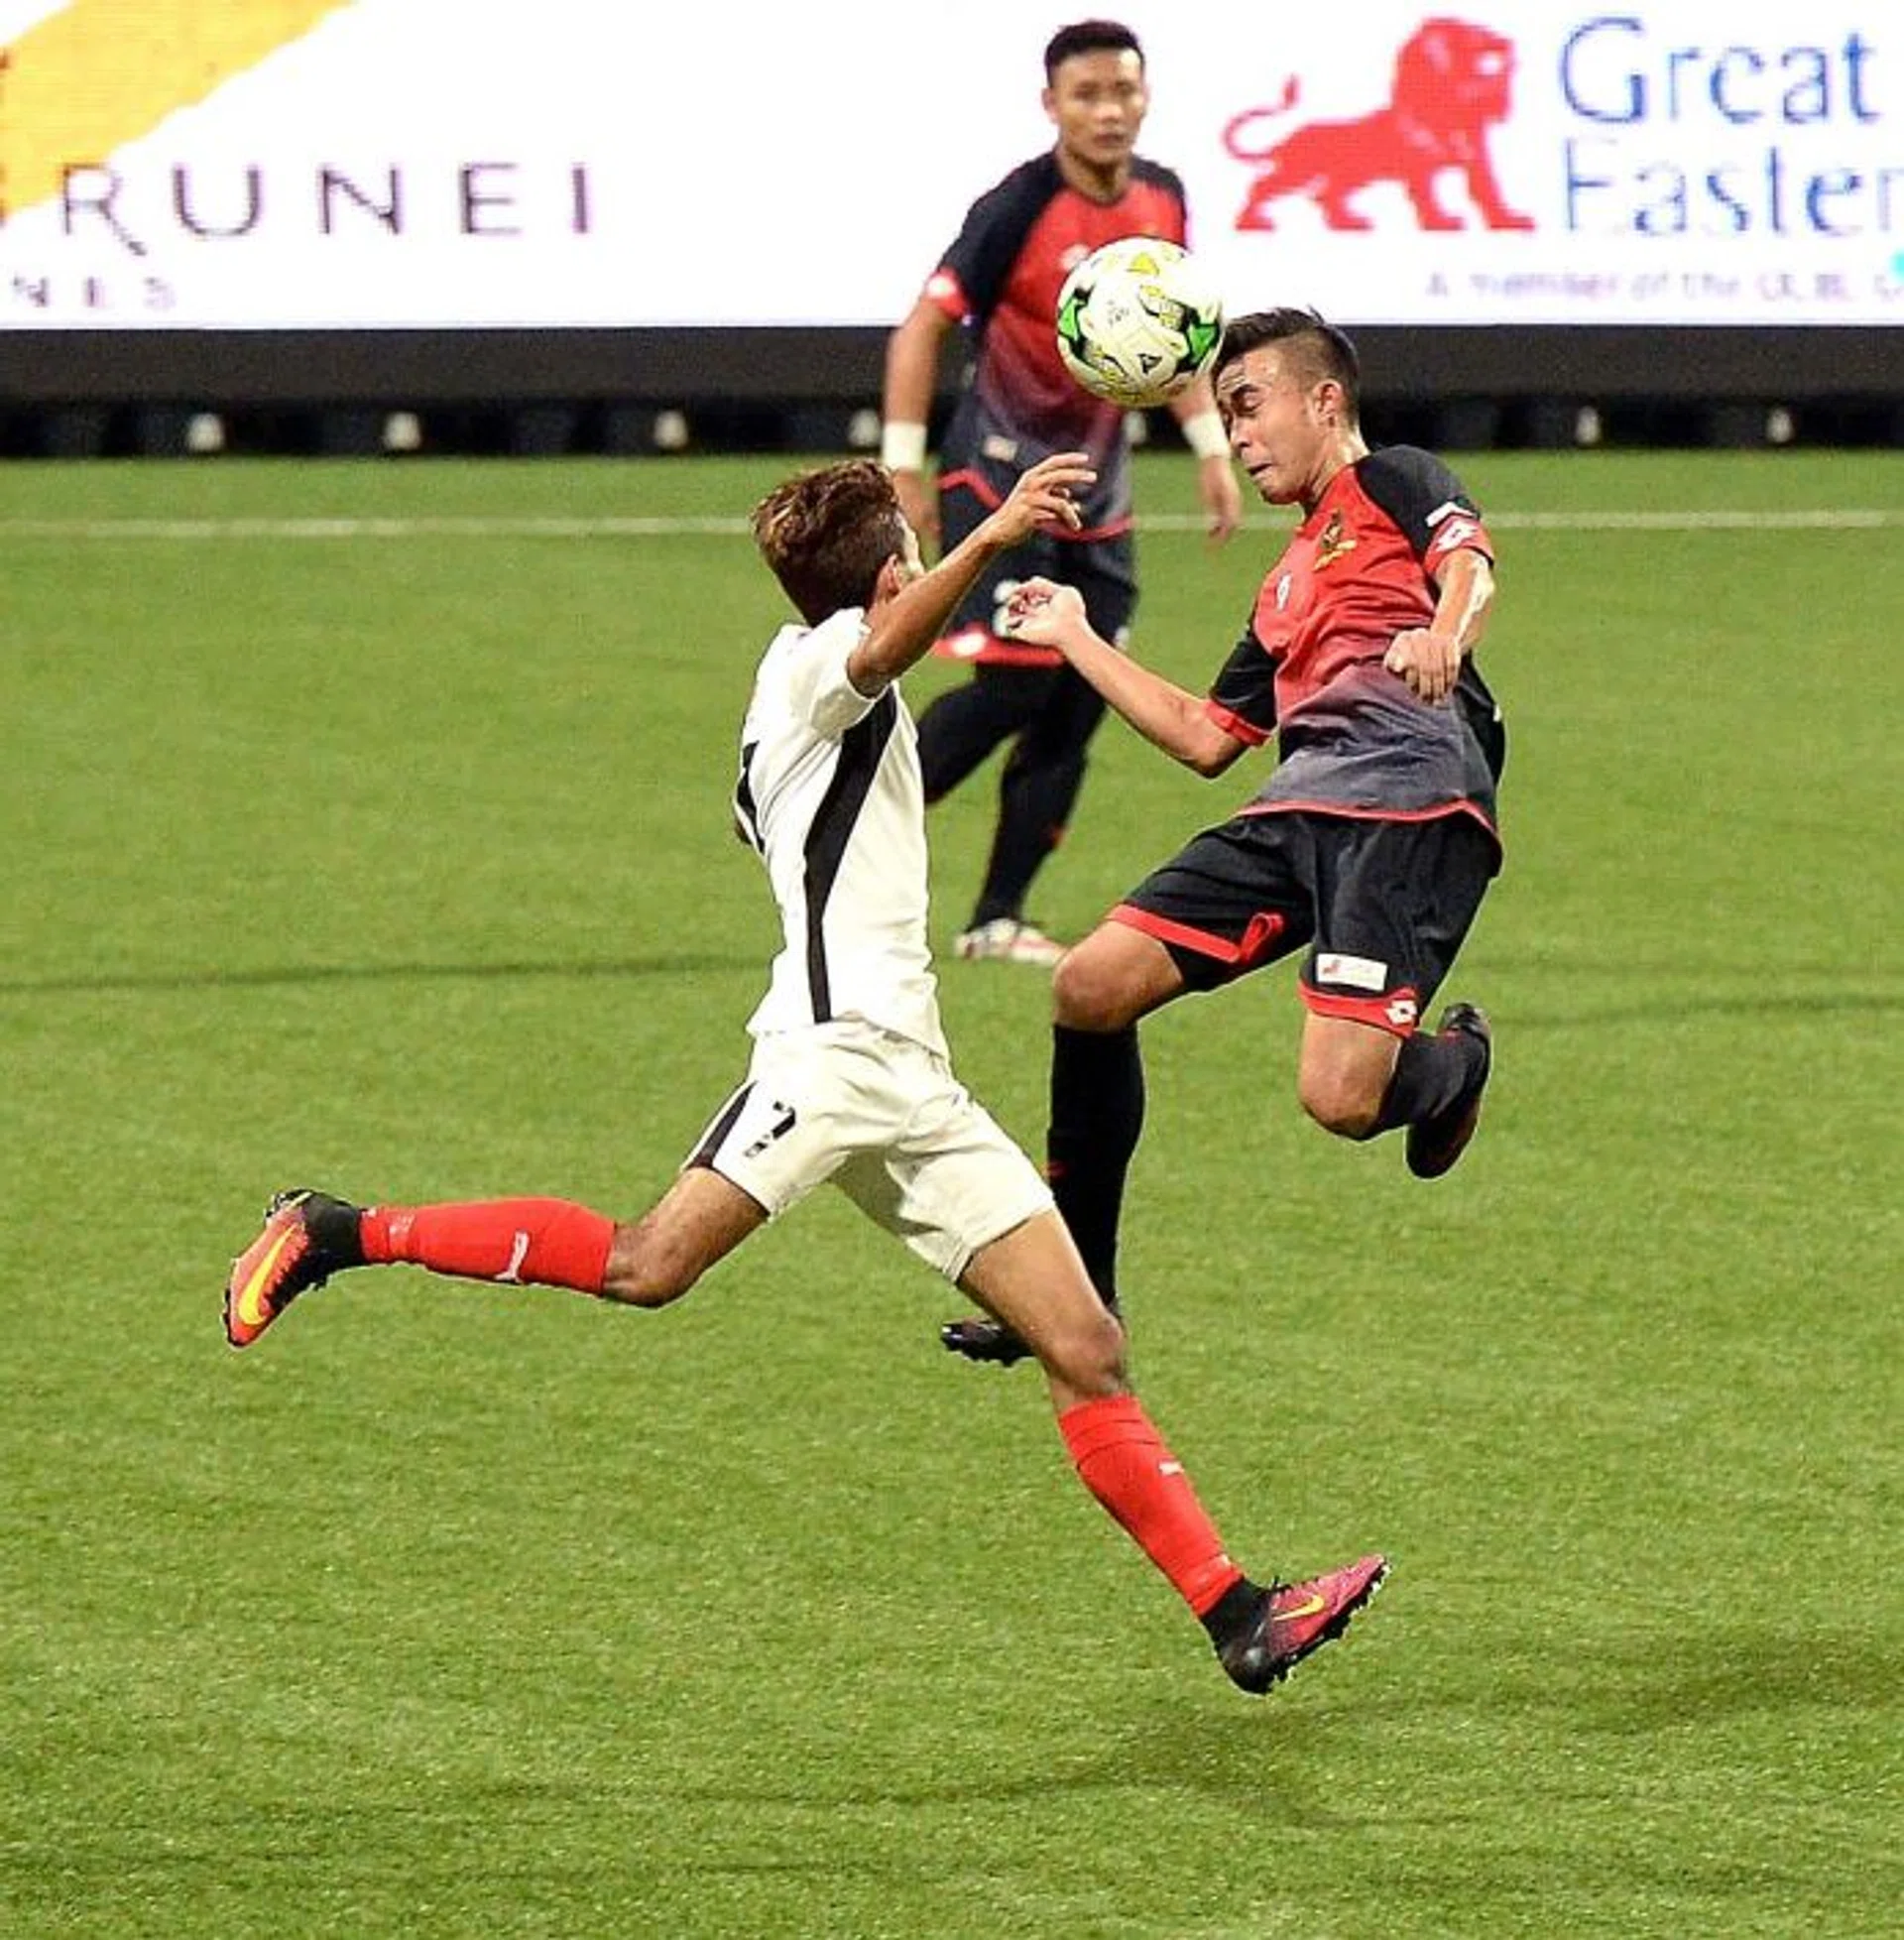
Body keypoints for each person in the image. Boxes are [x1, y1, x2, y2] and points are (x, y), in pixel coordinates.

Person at [222, 449, 1386, 1695]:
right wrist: (992, 538)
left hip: (914, 1082)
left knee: (1084, 1340)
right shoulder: (814, 665)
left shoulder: (806, 688)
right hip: (830, 1060)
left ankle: (1238, 1616)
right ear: (887, 575)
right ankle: (339, 1230)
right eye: (912, 548)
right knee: (648, 1264)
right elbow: (876, 653)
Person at [941, 308, 1505, 1367]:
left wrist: (1443, 633)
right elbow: (1207, 737)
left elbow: (1470, 561)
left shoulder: (1395, 480)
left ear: (1324, 401)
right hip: (1295, 811)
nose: (1237, 437)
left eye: (1249, 407)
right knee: (1089, 986)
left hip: (1407, 805)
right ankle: (1078, 1297)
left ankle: (1454, 1066)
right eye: (1225, 417)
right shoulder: (1284, 581)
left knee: (1340, 1099)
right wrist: (1074, 636)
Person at [881, 18, 1242, 968]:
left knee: (1080, 696)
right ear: (1052, 106)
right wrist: (903, 465)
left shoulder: (1163, 197)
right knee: (1016, 680)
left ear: (1146, 96)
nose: (1108, 111)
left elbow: (1174, 341)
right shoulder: (1018, 207)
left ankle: (996, 919)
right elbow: (921, 328)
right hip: (999, 472)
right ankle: (841, 809)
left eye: (1123, 91)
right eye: (1088, 95)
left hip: (1099, 488)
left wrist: (1210, 443)